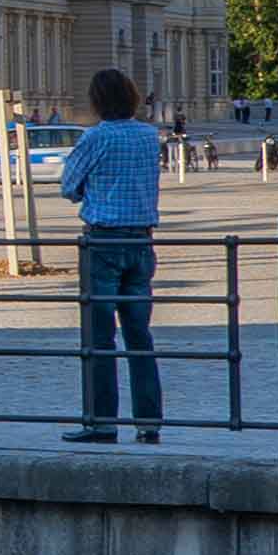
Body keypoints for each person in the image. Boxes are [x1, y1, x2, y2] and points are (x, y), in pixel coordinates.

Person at [57, 66, 165, 443]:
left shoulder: (95, 138)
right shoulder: (150, 137)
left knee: (100, 338)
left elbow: (68, 186)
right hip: (141, 241)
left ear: (97, 101)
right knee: (140, 335)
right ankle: (149, 423)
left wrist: (92, 190)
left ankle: (102, 422)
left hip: (102, 242)